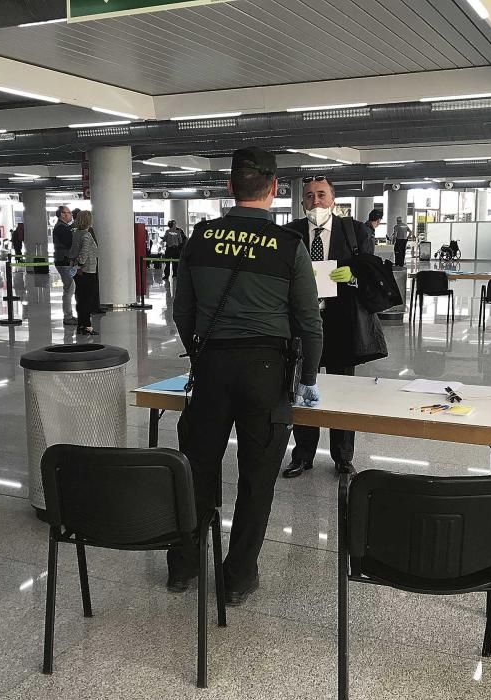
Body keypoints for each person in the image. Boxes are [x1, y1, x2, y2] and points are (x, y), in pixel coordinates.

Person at [167, 146, 323, 605]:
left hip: (212, 365)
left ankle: (185, 568)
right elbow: (308, 320)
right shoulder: (290, 246)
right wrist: (308, 375)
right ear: (275, 189)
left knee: (198, 468)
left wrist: (198, 354)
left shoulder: (199, 239)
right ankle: (237, 577)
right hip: (267, 371)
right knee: (257, 478)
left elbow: (183, 311)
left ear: (230, 187)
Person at [283, 174, 386, 478]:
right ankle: (302, 455)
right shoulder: (291, 234)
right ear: (302, 202)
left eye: (321, 195)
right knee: (304, 387)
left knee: (343, 391)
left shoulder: (355, 232)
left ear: (333, 200)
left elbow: (372, 278)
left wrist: (352, 277)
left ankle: (343, 456)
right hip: (302, 324)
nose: (316, 201)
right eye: (309, 196)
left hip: (342, 324)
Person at [72, 210, 100, 336]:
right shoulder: (87, 235)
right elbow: (83, 255)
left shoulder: (76, 233)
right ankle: (87, 326)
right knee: (88, 299)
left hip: (78, 272)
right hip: (88, 270)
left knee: (80, 298)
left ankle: (81, 325)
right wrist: (80, 265)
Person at [52, 205, 80, 325]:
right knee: (69, 288)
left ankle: (68, 315)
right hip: (63, 261)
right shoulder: (61, 228)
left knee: (69, 288)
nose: (70, 215)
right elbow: (70, 243)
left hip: (65, 261)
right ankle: (68, 316)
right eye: (68, 213)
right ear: (62, 214)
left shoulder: (64, 227)